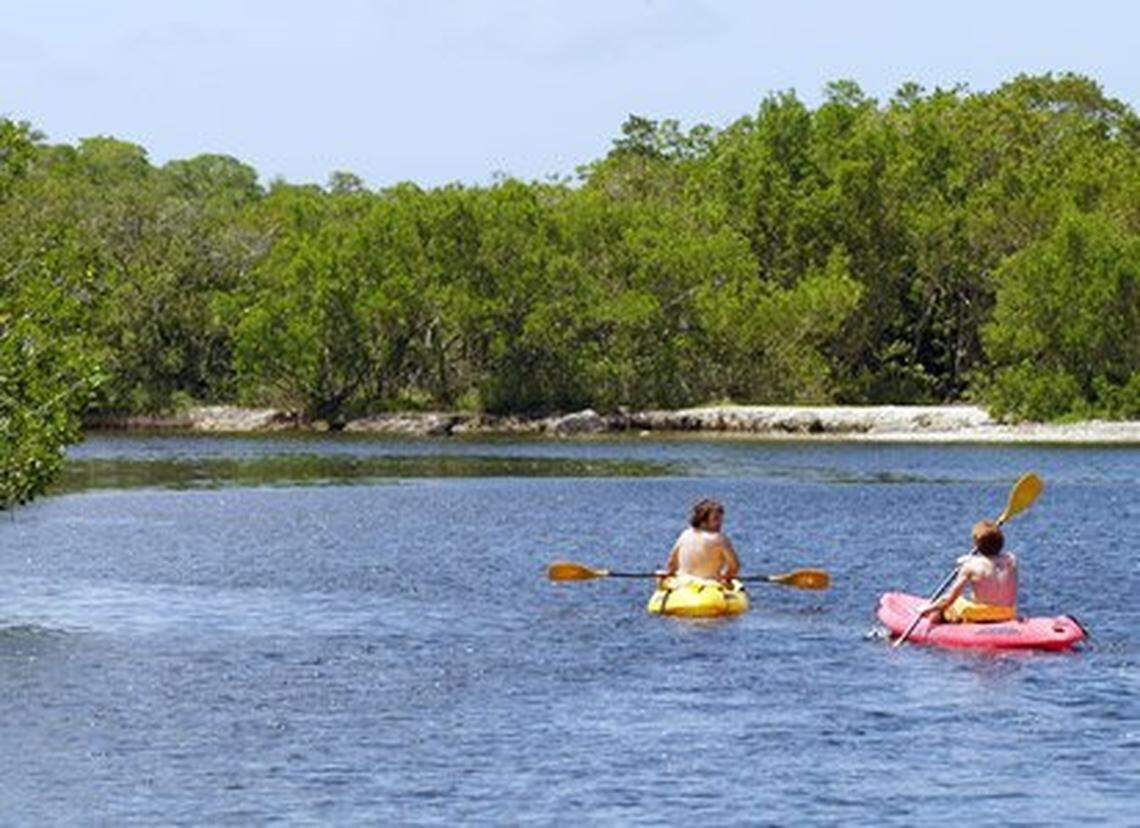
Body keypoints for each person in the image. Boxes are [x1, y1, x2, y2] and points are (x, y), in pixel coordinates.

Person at [919, 519, 1018, 623]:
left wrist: (927, 609)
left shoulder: (970, 567)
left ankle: (933, 625)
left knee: (948, 606)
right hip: (1008, 613)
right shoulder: (1012, 560)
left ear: (976, 544)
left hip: (982, 615)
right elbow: (992, 561)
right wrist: (970, 559)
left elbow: (949, 599)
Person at [660, 498, 741, 584]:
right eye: (715, 519)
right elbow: (734, 567)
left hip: (682, 585)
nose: (720, 523)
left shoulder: (685, 534)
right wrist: (725, 578)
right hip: (709, 586)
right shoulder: (719, 539)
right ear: (702, 520)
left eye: (721, 519)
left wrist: (668, 573)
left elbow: (671, 563)